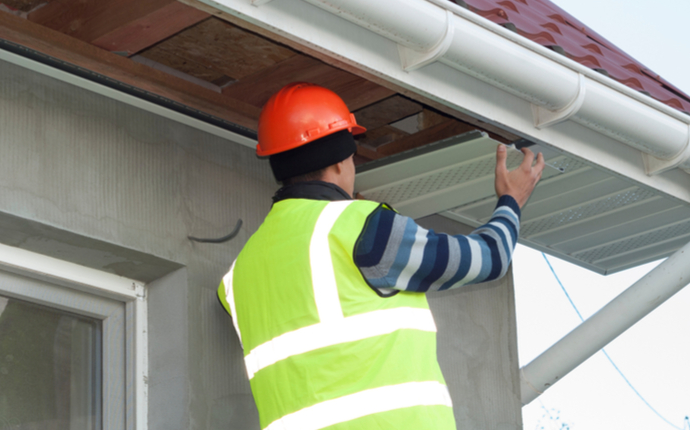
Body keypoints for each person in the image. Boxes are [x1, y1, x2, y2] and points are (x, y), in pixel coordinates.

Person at [217, 82, 544, 430]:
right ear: (343, 162)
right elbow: (489, 258)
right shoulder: (362, 227)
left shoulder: (237, 275)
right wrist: (511, 200)